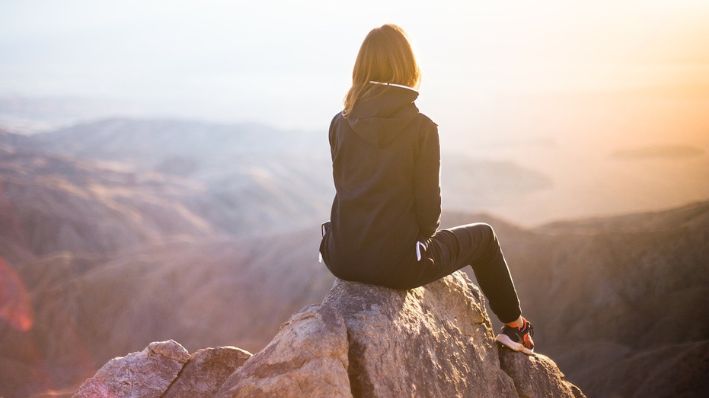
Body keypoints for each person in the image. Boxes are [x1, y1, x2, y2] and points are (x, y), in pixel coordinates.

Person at [318, 23, 534, 355]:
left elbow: (346, 187)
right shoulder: (421, 129)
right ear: (408, 68)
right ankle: (516, 328)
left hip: (340, 256)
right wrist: (413, 243)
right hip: (398, 266)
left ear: (360, 68)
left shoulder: (339, 122)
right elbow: (429, 214)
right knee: (486, 237)